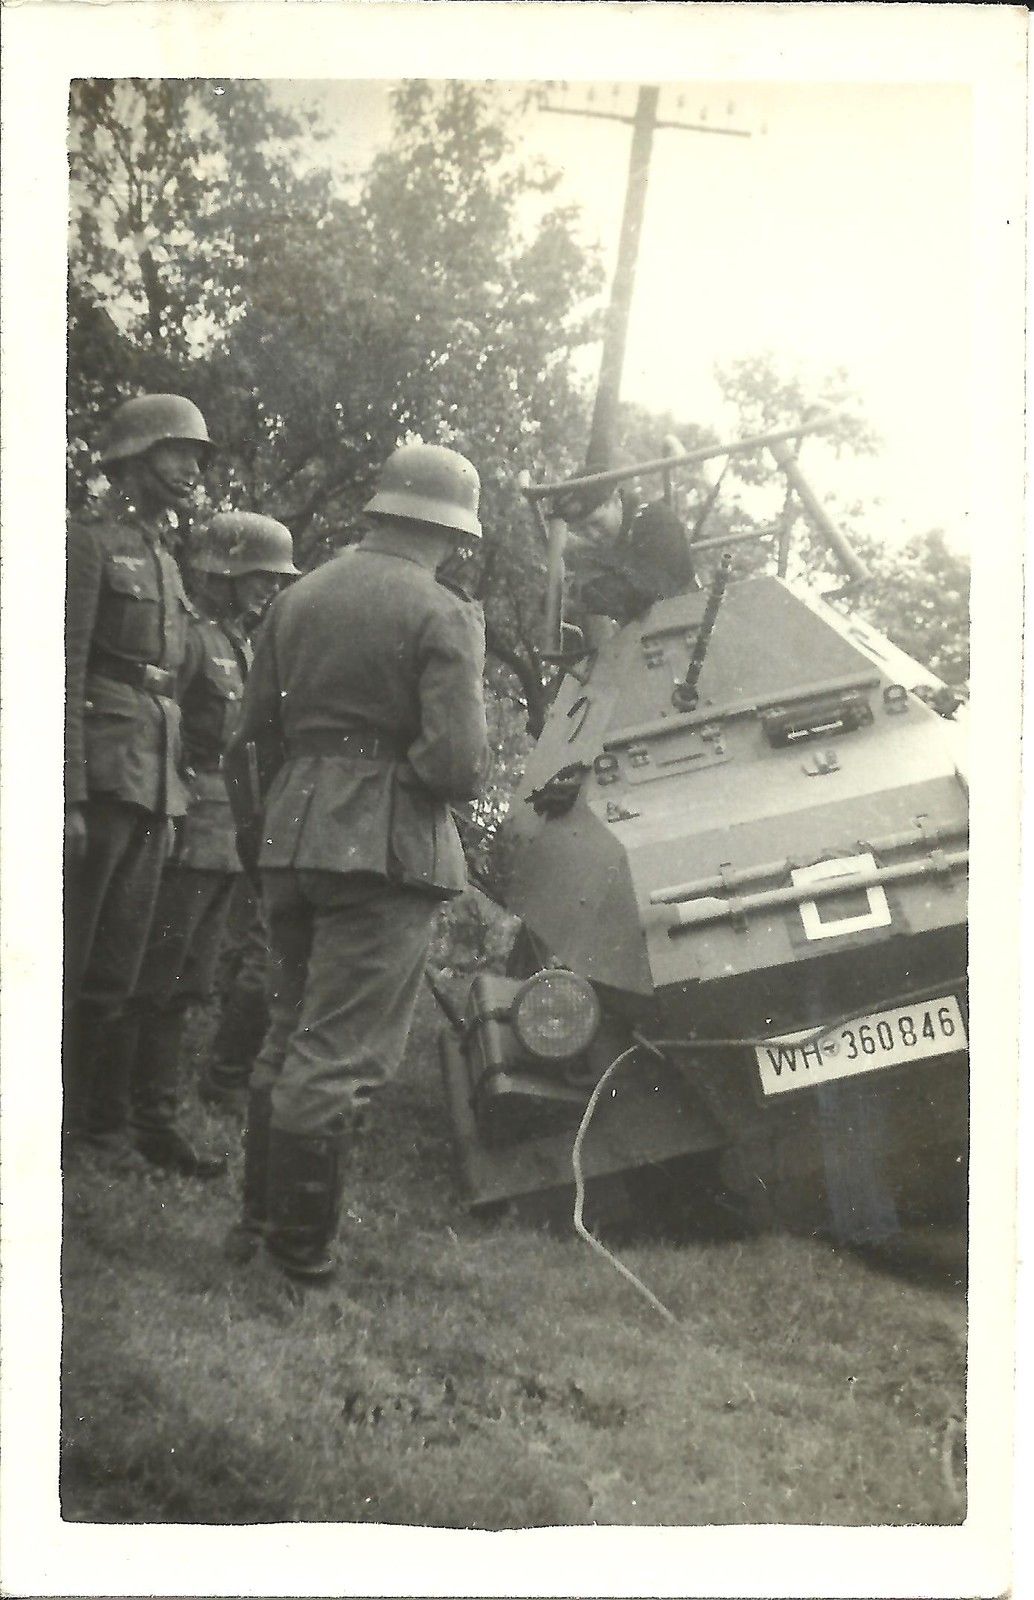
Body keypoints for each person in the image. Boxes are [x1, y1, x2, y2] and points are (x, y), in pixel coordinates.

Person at [224, 442, 490, 1281]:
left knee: (286, 1036)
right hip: (380, 850)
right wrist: (393, 780)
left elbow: (250, 737)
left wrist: (273, 824)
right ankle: (297, 1265)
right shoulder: (443, 612)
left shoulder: (295, 599)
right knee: (336, 1055)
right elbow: (457, 765)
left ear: (380, 511)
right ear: (452, 531)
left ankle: (258, 1230)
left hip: (290, 835)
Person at [120, 512, 299, 1174]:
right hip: (188, 825)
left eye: (274, 579)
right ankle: (130, 1117)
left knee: (188, 980)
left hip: (227, 835)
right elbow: (158, 732)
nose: (269, 588)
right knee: (157, 975)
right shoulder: (192, 641)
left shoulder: (239, 644)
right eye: (258, 575)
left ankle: (153, 1116)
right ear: (223, 572)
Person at [64, 393, 210, 1162]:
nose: (191, 468)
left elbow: (174, 683)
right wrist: (67, 791)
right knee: (66, 955)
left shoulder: (167, 560)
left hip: (154, 777)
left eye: (196, 457)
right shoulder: (87, 543)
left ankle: (92, 1122)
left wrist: (173, 791)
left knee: (117, 964)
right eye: (177, 452)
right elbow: (62, 667)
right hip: (101, 772)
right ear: (134, 458)